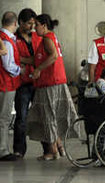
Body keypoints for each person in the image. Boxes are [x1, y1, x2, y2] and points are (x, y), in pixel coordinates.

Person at [26, 14, 77, 161]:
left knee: (47, 117)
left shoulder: (47, 38)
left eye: (36, 25)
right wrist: (20, 59)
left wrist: (38, 69)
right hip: (55, 82)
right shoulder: (50, 38)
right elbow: (38, 59)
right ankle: (59, 147)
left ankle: (52, 151)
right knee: (52, 116)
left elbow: (53, 56)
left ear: (44, 25)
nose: (35, 28)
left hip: (50, 83)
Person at [13, 8, 43, 159]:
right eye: (29, 24)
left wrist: (24, 60)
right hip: (23, 83)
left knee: (42, 116)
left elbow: (41, 56)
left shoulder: (37, 36)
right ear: (20, 23)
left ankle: (48, 149)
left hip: (38, 82)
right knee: (21, 117)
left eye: (33, 23)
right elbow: (13, 57)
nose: (32, 26)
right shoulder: (13, 38)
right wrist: (27, 60)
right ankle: (19, 150)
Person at [0, 11, 23, 161]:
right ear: (15, 23)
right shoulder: (6, 40)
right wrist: (21, 71)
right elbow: (8, 65)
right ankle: (2, 150)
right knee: (4, 118)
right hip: (5, 84)